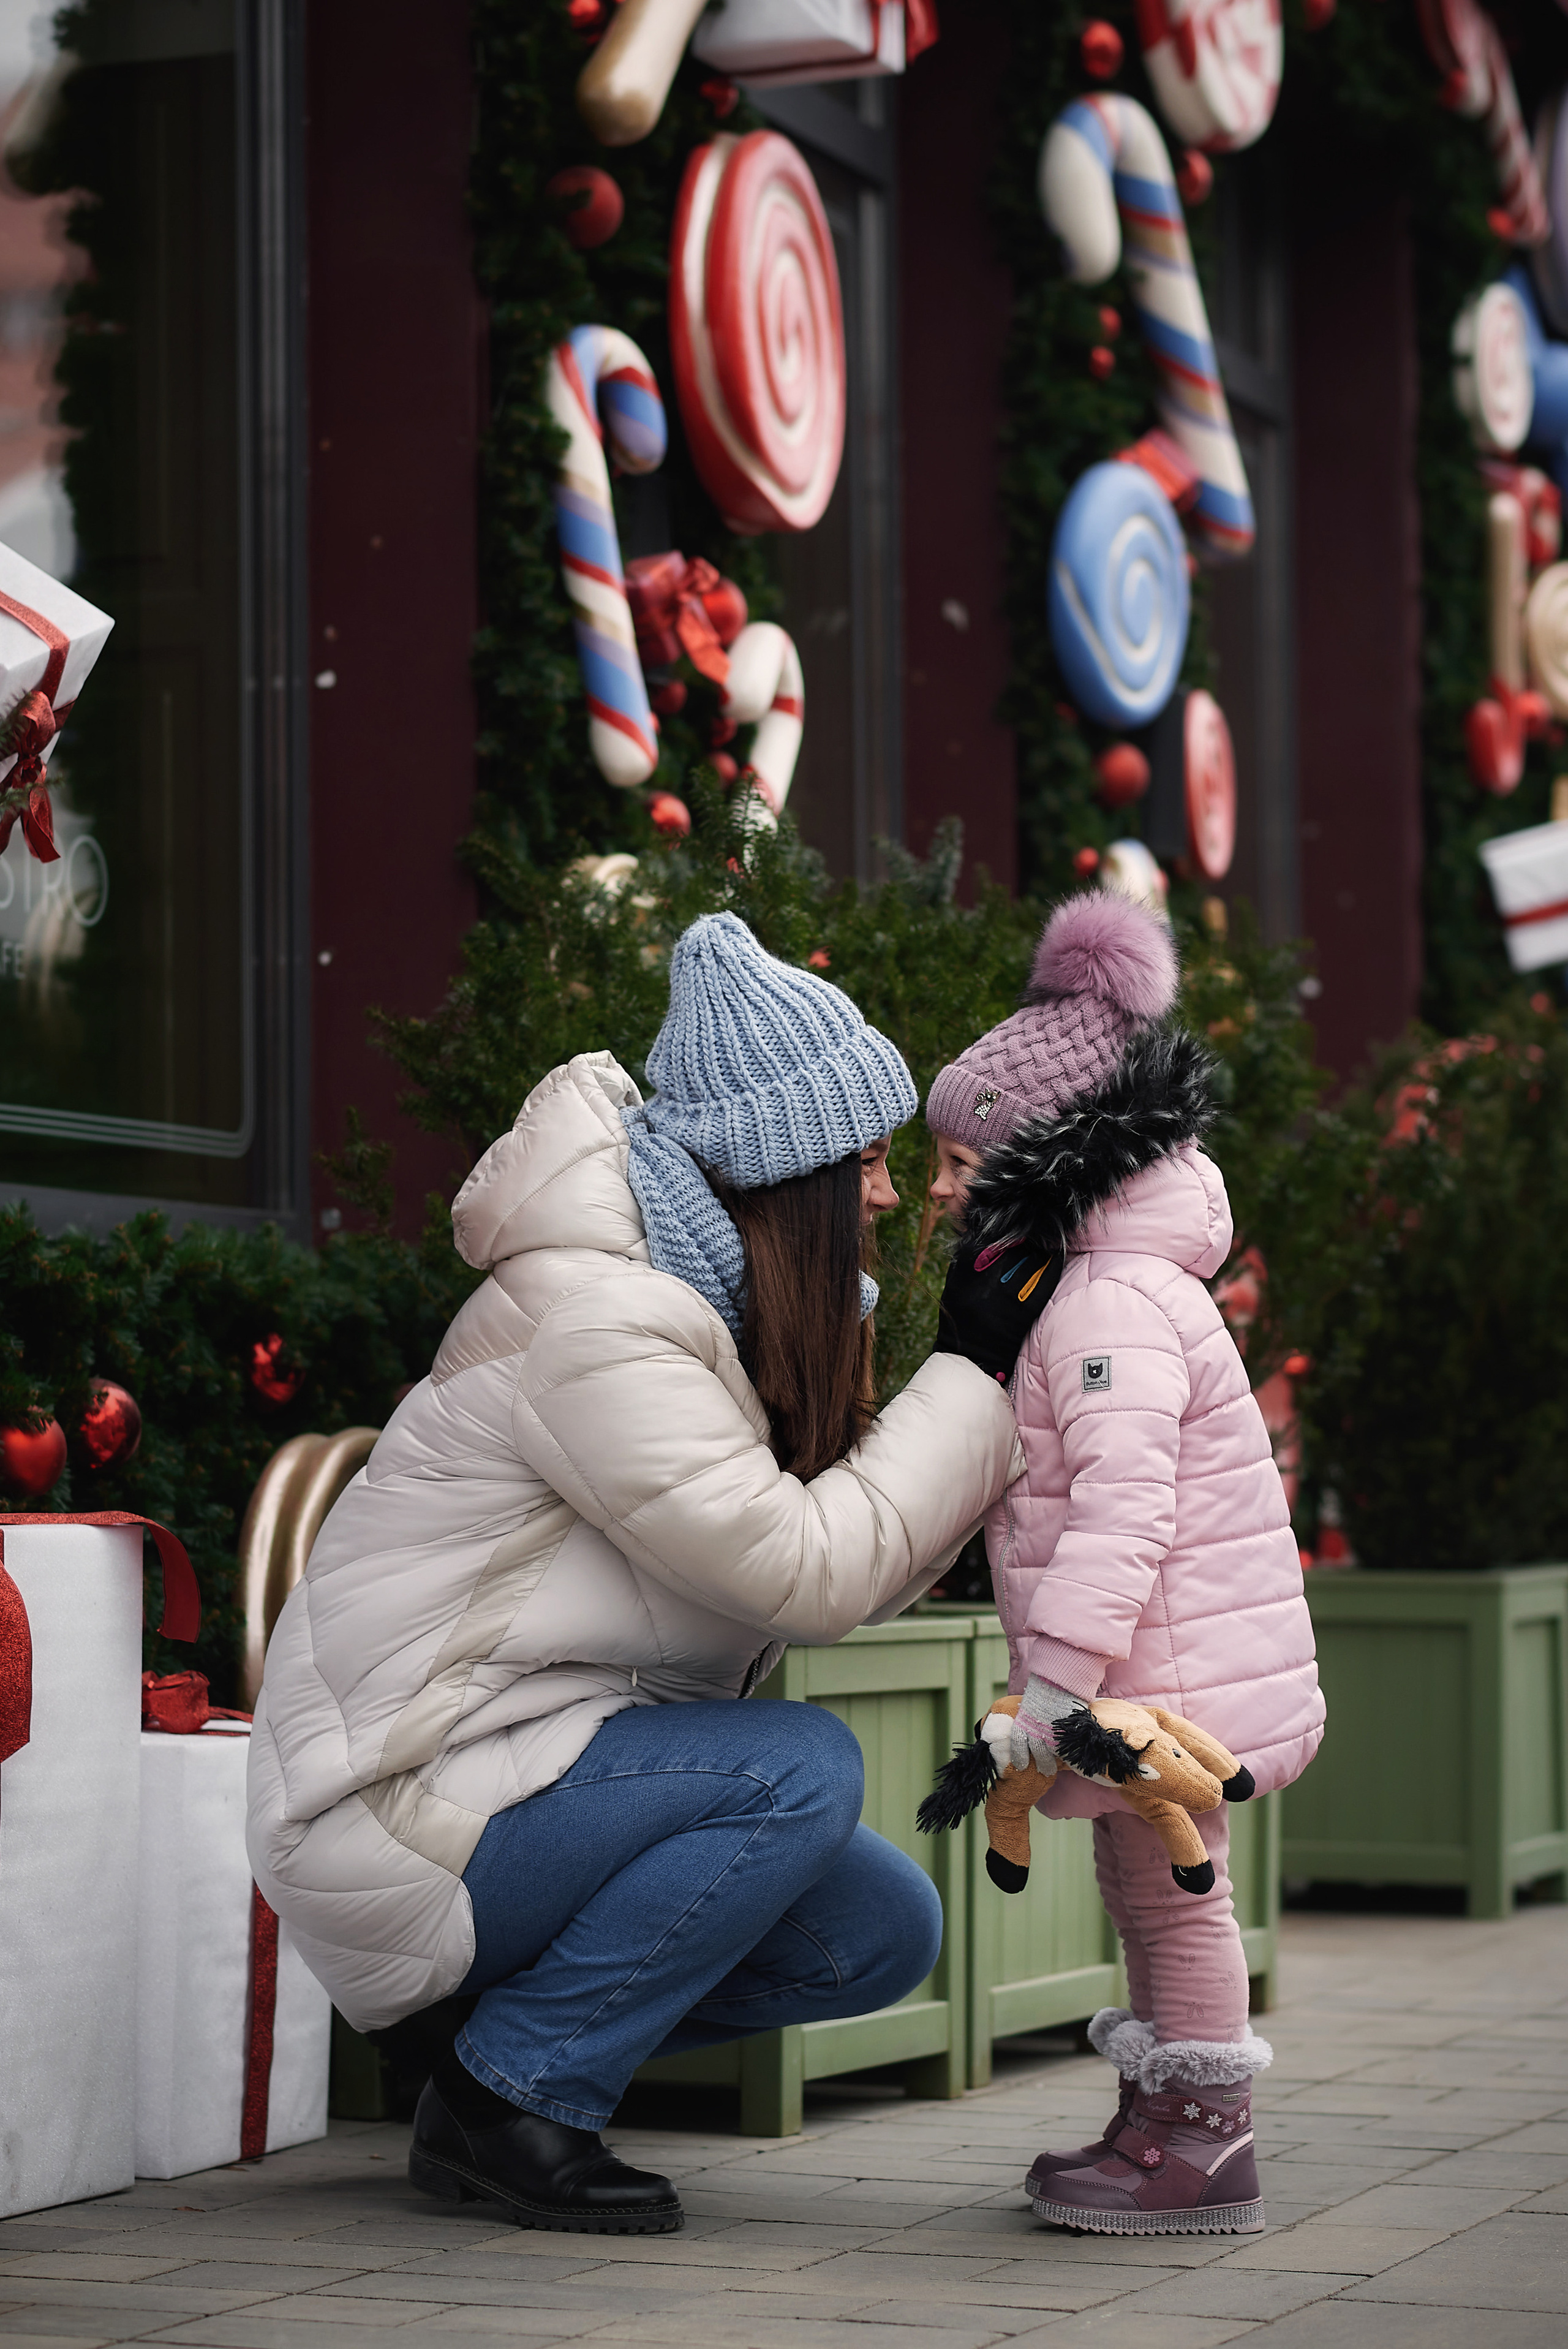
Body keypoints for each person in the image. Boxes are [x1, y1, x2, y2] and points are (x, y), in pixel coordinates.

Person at [247, 912, 1054, 2236]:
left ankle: (483, 2051)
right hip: (396, 1810)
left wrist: (953, 1405)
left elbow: (819, 1568)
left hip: (515, 1773)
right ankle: (516, 2096)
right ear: (783, 1172)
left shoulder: (697, 1314)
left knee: (879, 1928)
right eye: (864, 1160)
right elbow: (805, 1577)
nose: (891, 1195)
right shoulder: (599, 1321)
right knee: (798, 1767)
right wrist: (966, 1371)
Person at [925, 888, 1324, 2238]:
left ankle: (1205, 2138)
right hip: (1149, 1668)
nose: (936, 1185)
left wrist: (1050, 1689)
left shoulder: (1103, 1303)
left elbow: (1120, 1514)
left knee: (1172, 1897)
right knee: (1144, 1894)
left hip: (1162, 1677)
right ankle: (1161, 2115)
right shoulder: (1098, 1283)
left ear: (1043, 1161)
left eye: (958, 1161)